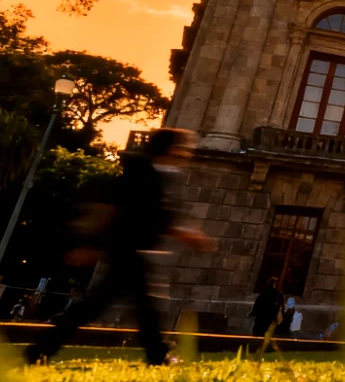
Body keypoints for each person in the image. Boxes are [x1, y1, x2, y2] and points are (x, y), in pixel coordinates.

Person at [24, 128, 214, 366]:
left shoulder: (156, 173)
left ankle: (40, 350)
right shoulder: (140, 173)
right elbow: (114, 209)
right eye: (183, 147)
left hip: (132, 251)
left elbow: (157, 217)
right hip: (126, 249)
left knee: (108, 307)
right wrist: (87, 244)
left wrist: (187, 235)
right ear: (169, 148)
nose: (187, 152)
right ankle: (157, 355)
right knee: (137, 309)